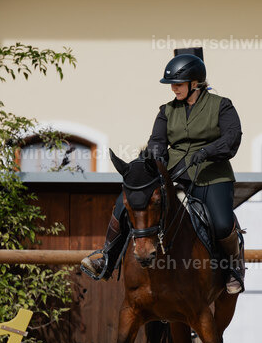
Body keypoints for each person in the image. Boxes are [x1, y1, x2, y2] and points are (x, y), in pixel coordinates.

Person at [80, 50, 245, 293]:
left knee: (221, 224)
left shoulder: (221, 106)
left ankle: (233, 269)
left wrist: (208, 151)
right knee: (129, 200)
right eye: (171, 85)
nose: (174, 89)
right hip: (174, 172)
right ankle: (107, 258)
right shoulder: (166, 111)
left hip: (212, 175)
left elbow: (232, 137)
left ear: (195, 83)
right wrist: (153, 158)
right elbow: (157, 140)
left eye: (178, 84)